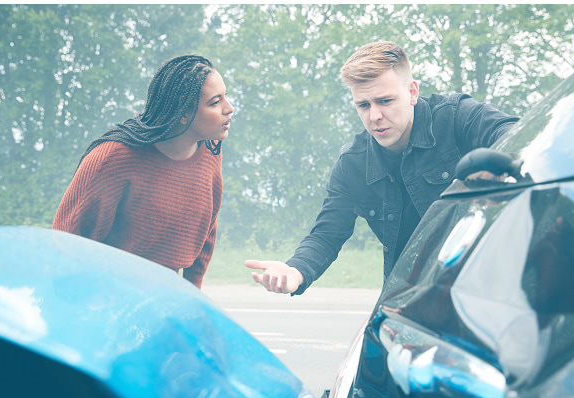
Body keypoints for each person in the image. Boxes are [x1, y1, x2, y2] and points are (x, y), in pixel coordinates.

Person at [245, 41, 518, 295]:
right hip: (410, 297)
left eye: (384, 101)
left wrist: (497, 164)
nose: (374, 116)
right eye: (363, 105)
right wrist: (296, 271)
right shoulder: (352, 164)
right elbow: (327, 234)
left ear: (412, 92)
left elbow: (517, 134)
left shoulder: (457, 116)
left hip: (490, 282)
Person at [53, 55, 233, 288]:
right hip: (104, 294)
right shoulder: (112, 158)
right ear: (183, 113)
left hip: (166, 295)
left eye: (225, 97)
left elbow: (208, 226)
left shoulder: (210, 153)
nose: (229, 108)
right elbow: (66, 240)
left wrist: (192, 292)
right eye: (215, 102)